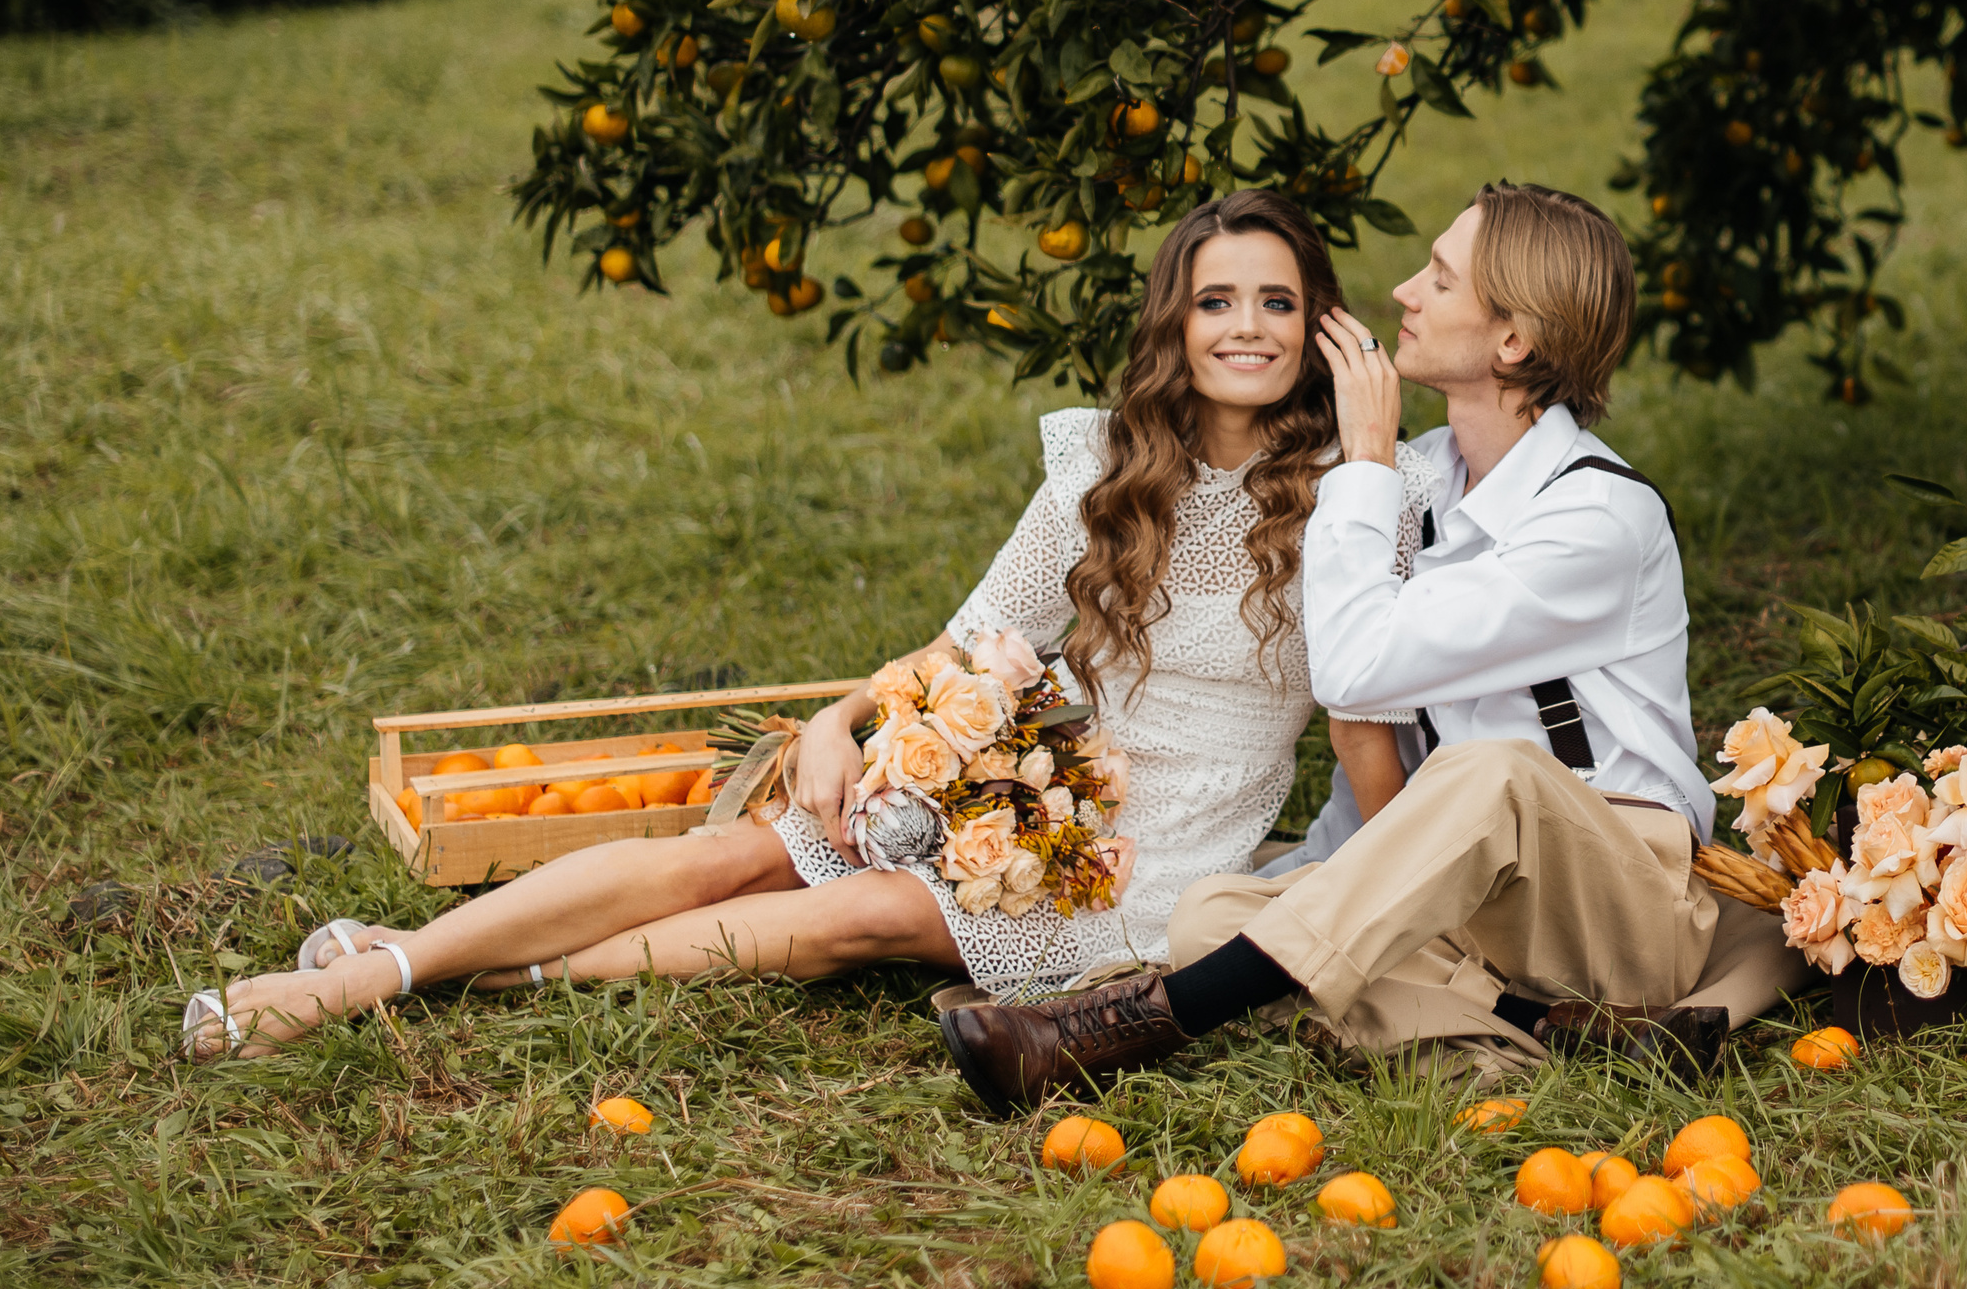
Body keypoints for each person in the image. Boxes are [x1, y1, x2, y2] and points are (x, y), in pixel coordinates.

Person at [184, 191, 1432, 1057]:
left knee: (868, 914)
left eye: (1277, 300)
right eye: (1218, 301)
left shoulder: (1361, 491)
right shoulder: (1105, 471)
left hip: (1152, 855)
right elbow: (965, 642)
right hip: (1021, 786)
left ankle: (436, 974)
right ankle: (389, 967)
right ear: (1177, 322)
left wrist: (1381, 902)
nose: (1248, 328)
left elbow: (1370, 733)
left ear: (1320, 321)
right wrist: (842, 721)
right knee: (733, 854)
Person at [938, 183, 1808, 1111]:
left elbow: (1355, 666)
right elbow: (1367, 722)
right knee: (1209, 917)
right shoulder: (1427, 478)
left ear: (1512, 341)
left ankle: (1138, 1021)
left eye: (1438, 277)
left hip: (1613, 897)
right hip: (1472, 906)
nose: (1401, 292)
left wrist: (1362, 465)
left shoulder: (1593, 518)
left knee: (1491, 772)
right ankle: (1539, 1038)